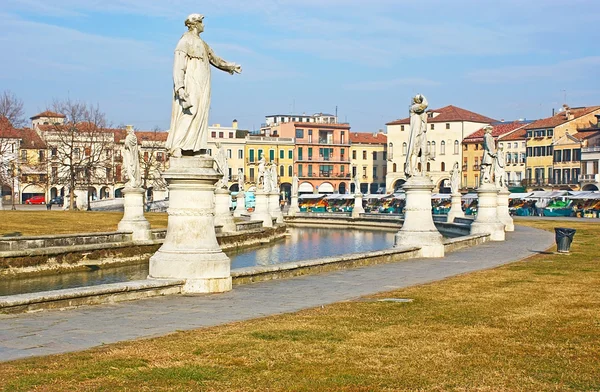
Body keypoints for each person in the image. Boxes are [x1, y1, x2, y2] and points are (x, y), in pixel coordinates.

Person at [165, 14, 242, 157]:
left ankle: (196, 147)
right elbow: (178, 66)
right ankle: (177, 145)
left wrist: (230, 66)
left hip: (203, 83)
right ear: (195, 24)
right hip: (191, 81)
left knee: (201, 113)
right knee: (190, 111)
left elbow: (215, 59)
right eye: (202, 22)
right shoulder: (185, 41)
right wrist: (180, 87)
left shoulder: (203, 43)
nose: (204, 25)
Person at [405, 94, 431, 177]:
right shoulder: (413, 108)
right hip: (416, 132)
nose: (419, 99)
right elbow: (424, 105)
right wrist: (423, 96)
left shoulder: (422, 112)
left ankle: (424, 171)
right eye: (419, 98)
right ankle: (412, 170)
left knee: (424, 151)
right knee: (414, 151)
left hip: (422, 132)